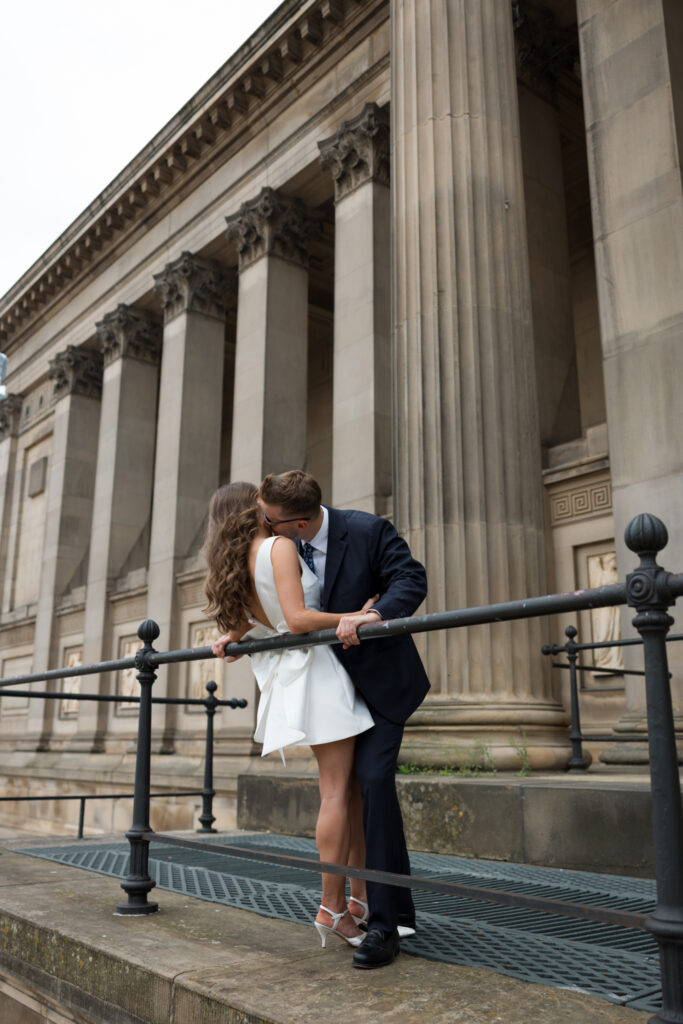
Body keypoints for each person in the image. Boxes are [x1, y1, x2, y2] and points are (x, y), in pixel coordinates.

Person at [255, 470, 430, 970]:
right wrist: (234, 636)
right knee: (349, 791)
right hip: (330, 690)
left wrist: (376, 616)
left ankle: (384, 925)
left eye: (270, 519)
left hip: (379, 686)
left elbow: (410, 579)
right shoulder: (278, 546)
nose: (262, 524)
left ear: (301, 521)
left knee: (373, 780)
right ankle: (373, 906)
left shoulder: (368, 529)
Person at [204, 481, 377, 949]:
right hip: (318, 673)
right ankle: (331, 908)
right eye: (258, 502)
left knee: (349, 791)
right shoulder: (279, 546)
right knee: (337, 792)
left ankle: (356, 898)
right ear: (250, 510)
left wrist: (233, 636)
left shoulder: (243, 559)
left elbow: (267, 614)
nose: (266, 507)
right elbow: (297, 618)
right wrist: (355, 616)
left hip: (304, 677)